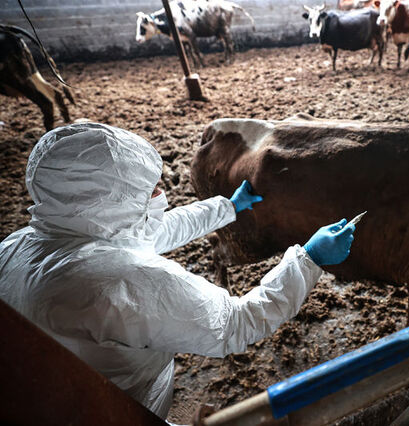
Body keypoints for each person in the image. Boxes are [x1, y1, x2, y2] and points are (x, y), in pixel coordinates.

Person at [0, 122, 356, 418]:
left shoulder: (19, 244)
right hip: (122, 412)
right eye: (145, 189)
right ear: (108, 200)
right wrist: (308, 260)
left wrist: (227, 207)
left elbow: (152, 231)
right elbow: (237, 322)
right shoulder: (122, 282)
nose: (160, 192)